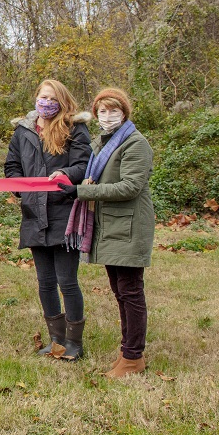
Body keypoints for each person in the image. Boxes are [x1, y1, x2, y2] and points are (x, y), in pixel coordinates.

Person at [59, 87, 155, 378]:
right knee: (120, 291)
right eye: (103, 110)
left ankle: (133, 357)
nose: (108, 115)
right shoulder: (106, 143)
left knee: (130, 291)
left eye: (114, 110)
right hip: (112, 225)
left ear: (124, 113)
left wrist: (82, 191)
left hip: (128, 226)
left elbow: (130, 187)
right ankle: (128, 352)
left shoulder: (135, 143)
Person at [4, 79, 92, 360]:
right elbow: (11, 166)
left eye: (53, 98)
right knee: (45, 281)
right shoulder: (23, 131)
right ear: (36, 99)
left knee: (67, 280)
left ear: (62, 101)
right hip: (34, 213)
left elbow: (83, 164)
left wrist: (66, 175)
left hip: (64, 212)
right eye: (43, 97)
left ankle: (74, 342)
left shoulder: (75, 129)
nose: (47, 103)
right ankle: (56, 338)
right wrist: (18, 185)